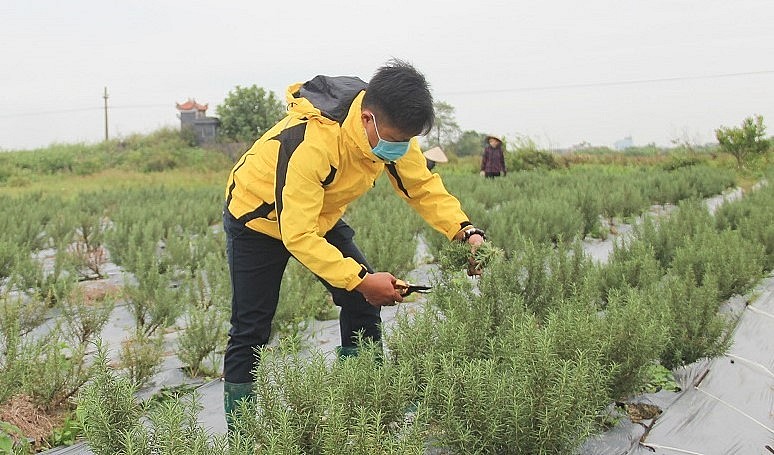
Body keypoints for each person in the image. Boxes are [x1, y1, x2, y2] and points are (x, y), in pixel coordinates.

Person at [221, 59, 486, 431]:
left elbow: (422, 188)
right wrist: (362, 279)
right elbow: (297, 235)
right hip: (256, 220)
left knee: (362, 304)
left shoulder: (392, 132)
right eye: (394, 140)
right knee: (251, 327)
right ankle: (244, 435)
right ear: (367, 119)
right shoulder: (311, 141)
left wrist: (467, 232)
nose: (399, 149)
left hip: (319, 215)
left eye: (406, 141)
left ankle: (365, 404)